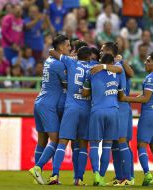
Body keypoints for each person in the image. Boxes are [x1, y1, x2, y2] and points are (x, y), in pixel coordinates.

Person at [28, 35, 70, 185]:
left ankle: (36, 176)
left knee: (42, 141)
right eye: (67, 45)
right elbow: (68, 84)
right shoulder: (58, 64)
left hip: (40, 101)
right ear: (60, 47)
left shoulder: (49, 61)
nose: (70, 48)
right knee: (55, 139)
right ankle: (37, 168)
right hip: (49, 105)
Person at [48, 46, 92, 186]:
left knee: (63, 142)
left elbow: (51, 51)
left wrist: (70, 57)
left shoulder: (71, 61)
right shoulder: (94, 66)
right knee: (83, 144)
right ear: (89, 57)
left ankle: (54, 175)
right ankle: (79, 179)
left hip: (71, 107)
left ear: (78, 55)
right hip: (86, 108)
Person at [119, 52, 153, 186]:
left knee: (141, 146)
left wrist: (125, 98)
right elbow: (146, 95)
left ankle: (147, 174)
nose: (145, 62)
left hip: (149, 114)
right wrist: (133, 97)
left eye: (148, 61)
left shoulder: (150, 78)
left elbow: (146, 98)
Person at [82, 53, 125, 186]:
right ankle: (101, 177)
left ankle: (96, 174)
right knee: (107, 146)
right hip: (113, 111)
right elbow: (121, 94)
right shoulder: (117, 73)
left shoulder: (92, 71)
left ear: (101, 61)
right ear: (112, 62)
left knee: (94, 145)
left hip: (97, 111)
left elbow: (84, 92)